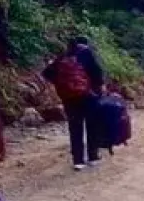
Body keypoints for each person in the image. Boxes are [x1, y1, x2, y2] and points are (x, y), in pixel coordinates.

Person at [43, 36, 105, 170]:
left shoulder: (62, 57)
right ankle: (93, 157)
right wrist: (98, 88)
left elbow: (47, 73)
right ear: (84, 44)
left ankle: (78, 161)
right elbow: (97, 73)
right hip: (89, 96)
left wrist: (60, 84)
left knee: (75, 128)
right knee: (92, 125)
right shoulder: (87, 54)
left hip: (69, 98)